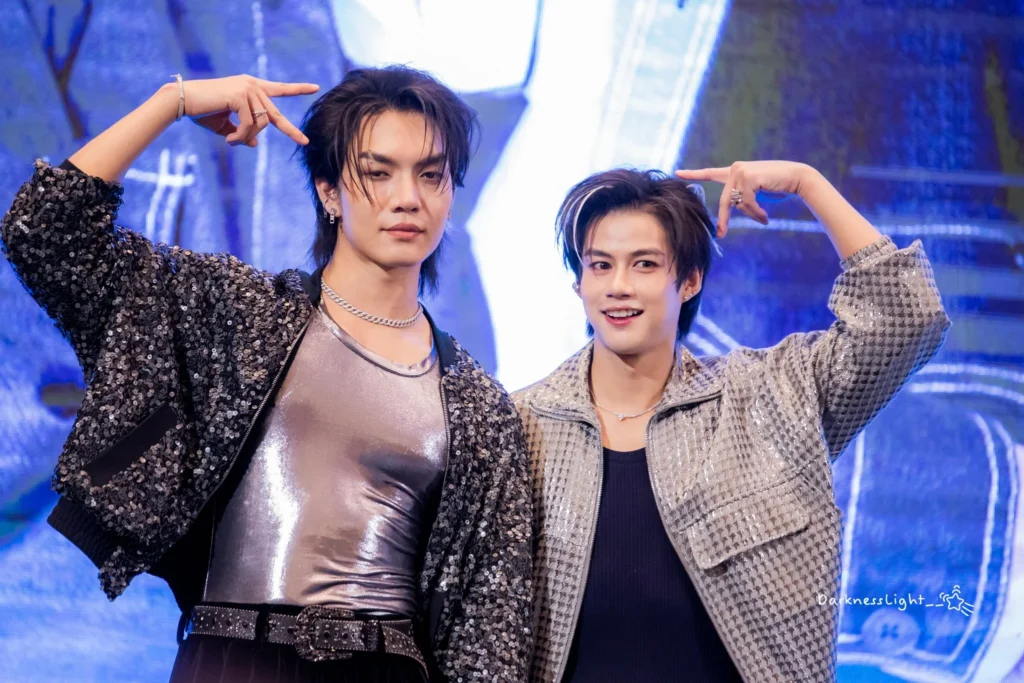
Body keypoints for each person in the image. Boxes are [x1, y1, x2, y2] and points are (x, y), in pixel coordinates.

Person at [0, 66, 532, 683]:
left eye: (431, 175)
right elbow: (46, 232)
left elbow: (488, 632)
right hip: (233, 656)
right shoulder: (239, 314)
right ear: (328, 192)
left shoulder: (476, 403)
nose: (408, 197)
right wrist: (173, 101)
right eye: (378, 172)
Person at [513, 161, 950, 682]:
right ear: (579, 283)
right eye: (600, 265)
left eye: (645, 264)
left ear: (689, 281)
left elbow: (905, 319)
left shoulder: (770, 397)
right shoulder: (523, 425)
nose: (618, 286)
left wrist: (806, 182)